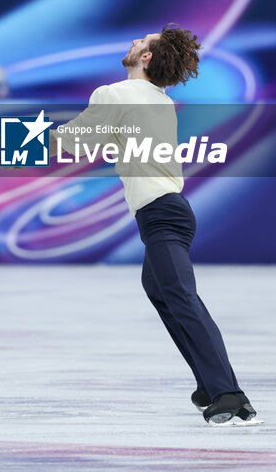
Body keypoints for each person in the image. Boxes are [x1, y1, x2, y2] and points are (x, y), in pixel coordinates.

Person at [51, 25, 256, 424]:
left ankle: (229, 393)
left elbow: (74, 141)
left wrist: (1, 143)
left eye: (140, 42)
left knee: (182, 298)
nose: (133, 42)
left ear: (146, 58)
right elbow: (99, 140)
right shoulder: (157, 100)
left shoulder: (117, 94)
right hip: (169, 212)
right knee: (162, 291)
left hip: (162, 213)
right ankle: (210, 383)